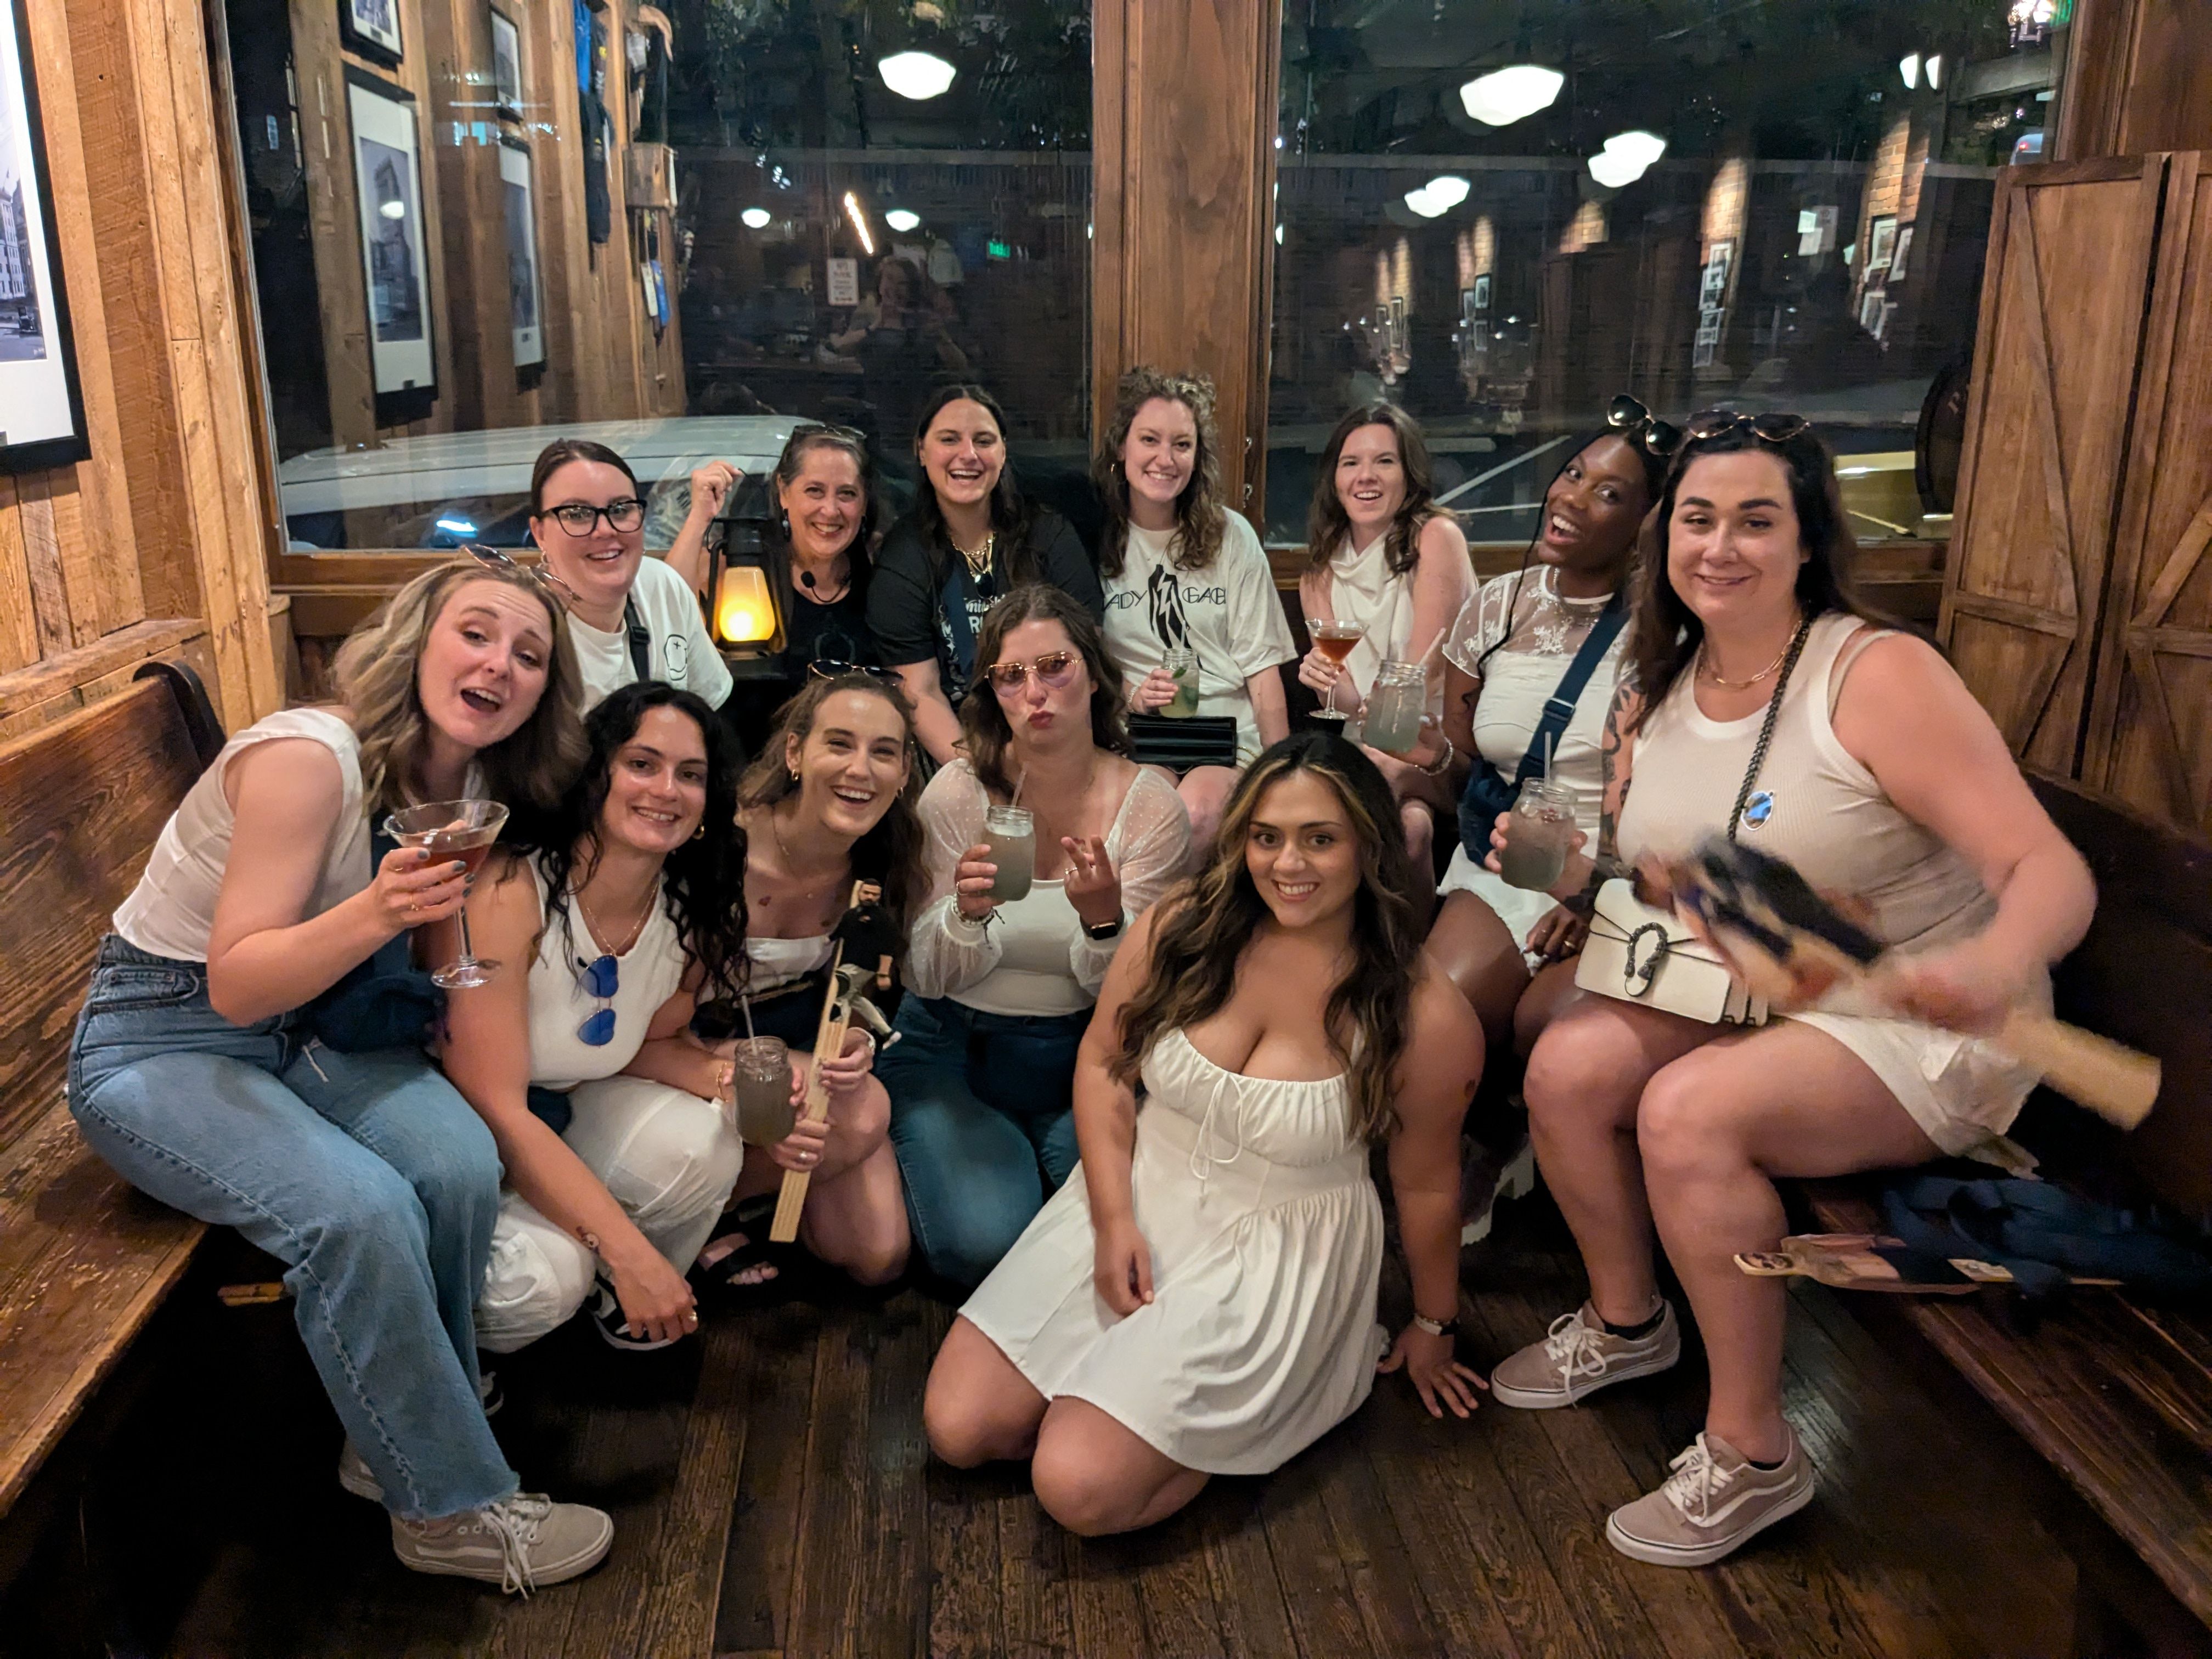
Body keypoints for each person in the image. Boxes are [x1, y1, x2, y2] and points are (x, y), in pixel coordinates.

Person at [1485, 411, 2096, 1568]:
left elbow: (2046, 867)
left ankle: (1755, 1450)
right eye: (1699, 519)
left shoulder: (1874, 673)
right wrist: (1579, 871)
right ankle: (1629, 1322)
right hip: (1771, 995)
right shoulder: (1659, 685)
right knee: (1566, 1060)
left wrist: (1997, 962)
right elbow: (1668, 876)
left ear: (1808, 539)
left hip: (1923, 1024)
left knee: (1686, 1113)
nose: (1722, 547)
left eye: (1757, 520)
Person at [66, 557, 611, 1592]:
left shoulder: (464, 780)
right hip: (160, 1039)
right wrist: (380, 912)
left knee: (452, 1157)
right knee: (357, 1211)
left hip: (299, 1023)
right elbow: (232, 983)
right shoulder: (309, 758)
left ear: (546, 690)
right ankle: (446, 1504)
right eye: (477, 633)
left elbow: (406, 955)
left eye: (530, 654)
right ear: (419, 638)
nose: (499, 663)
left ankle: (397, 1432)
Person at [922, 733, 1487, 1536]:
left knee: (1077, 1488)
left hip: (1279, 1246)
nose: (1287, 864)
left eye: (1319, 839)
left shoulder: (1424, 1013)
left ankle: (1282, 1389)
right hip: (1138, 1190)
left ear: (1371, 845)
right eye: (1267, 837)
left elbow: (1428, 1186)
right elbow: (1105, 1064)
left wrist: (1434, 1327)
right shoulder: (1182, 927)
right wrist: (1115, 1219)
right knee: (960, 1427)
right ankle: (1116, 1398)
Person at [879, 585, 1190, 1288]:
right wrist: (965, 913)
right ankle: (960, 1162)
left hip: (1086, 1057)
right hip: (949, 1044)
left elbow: (1146, 1000)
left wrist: (1106, 921)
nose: (1036, 693)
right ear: (992, 693)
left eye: (1055, 666)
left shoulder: (1149, 807)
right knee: (982, 1248)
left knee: (1143, 1238)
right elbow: (923, 975)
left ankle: (1022, 1171)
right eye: (1011, 676)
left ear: (1094, 672)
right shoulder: (959, 793)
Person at [442, 683, 751, 1356]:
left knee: (708, 1141)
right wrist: (632, 1250)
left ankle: (621, 1298)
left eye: (691, 775)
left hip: (564, 1109)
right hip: (461, 1137)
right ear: (595, 773)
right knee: (541, 1282)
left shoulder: (688, 910)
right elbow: (492, 1105)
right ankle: (460, 1360)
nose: (666, 789)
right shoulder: (510, 888)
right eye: (642, 764)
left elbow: (653, 1042)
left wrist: (727, 1078)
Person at [1416, 410, 1669, 1052]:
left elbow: (1685, 795)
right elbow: (1464, 762)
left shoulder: (1670, 629)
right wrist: (1429, 757)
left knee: (1554, 1035)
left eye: (1608, 494)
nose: (1572, 500)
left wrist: (1597, 895)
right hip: (1505, 863)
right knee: (1438, 1015)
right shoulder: (1497, 606)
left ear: (1649, 520)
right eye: (1573, 474)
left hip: (1622, 877)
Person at [690, 673, 922, 1292]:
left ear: (903, 774)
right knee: (866, 1110)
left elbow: (869, 990)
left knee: (878, 1256)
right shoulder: (719, 842)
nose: (861, 770)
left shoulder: (888, 860)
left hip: (800, 1041)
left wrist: (859, 1040)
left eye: (883, 753)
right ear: (795, 752)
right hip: (691, 1040)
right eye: (839, 744)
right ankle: (690, 1215)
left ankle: (755, 1186)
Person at [1095, 366, 1294, 851]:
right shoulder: (1093, 539)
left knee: (1195, 814)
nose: (1165, 459)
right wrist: (1131, 694)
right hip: (1140, 735)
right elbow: (1085, 658)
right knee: (1133, 818)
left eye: (1182, 445)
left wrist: (1286, 774)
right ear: (1122, 448)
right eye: (1150, 440)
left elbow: (1262, 672)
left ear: (1196, 457)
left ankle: (1176, 928)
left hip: (1226, 736)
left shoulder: (1231, 535)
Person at [867, 386, 1104, 765]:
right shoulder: (903, 558)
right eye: (949, 439)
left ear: (1003, 451)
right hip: (958, 747)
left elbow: (1084, 657)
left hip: (1054, 730)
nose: (969, 455)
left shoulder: (1050, 535)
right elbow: (921, 692)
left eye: (984, 440)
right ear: (921, 450)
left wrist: (1049, 760)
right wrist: (978, 774)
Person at [1295, 403, 1476, 869]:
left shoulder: (1436, 538)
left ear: (1409, 475)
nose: (1366, 477)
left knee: (1398, 814)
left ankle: (1395, 944)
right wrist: (1328, 686)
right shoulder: (1318, 574)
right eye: (1351, 463)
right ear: (1334, 479)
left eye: (1385, 462)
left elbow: (1412, 693)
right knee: (1401, 823)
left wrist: (1357, 707)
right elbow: (1348, 703)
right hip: (1366, 745)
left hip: (1439, 748)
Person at [525, 438, 733, 714]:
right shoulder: (521, 628)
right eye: (577, 514)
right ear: (540, 533)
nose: (604, 530)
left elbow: (708, 720)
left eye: (621, 510)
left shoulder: (661, 586)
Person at [714, 425, 885, 756]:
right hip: (757, 773)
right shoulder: (743, 572)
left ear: (865, 502)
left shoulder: (882, 570)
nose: (831, 510)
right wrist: (698, 518)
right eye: (815, 491)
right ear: (784, 492)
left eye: (847, 494)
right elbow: (668, 625)